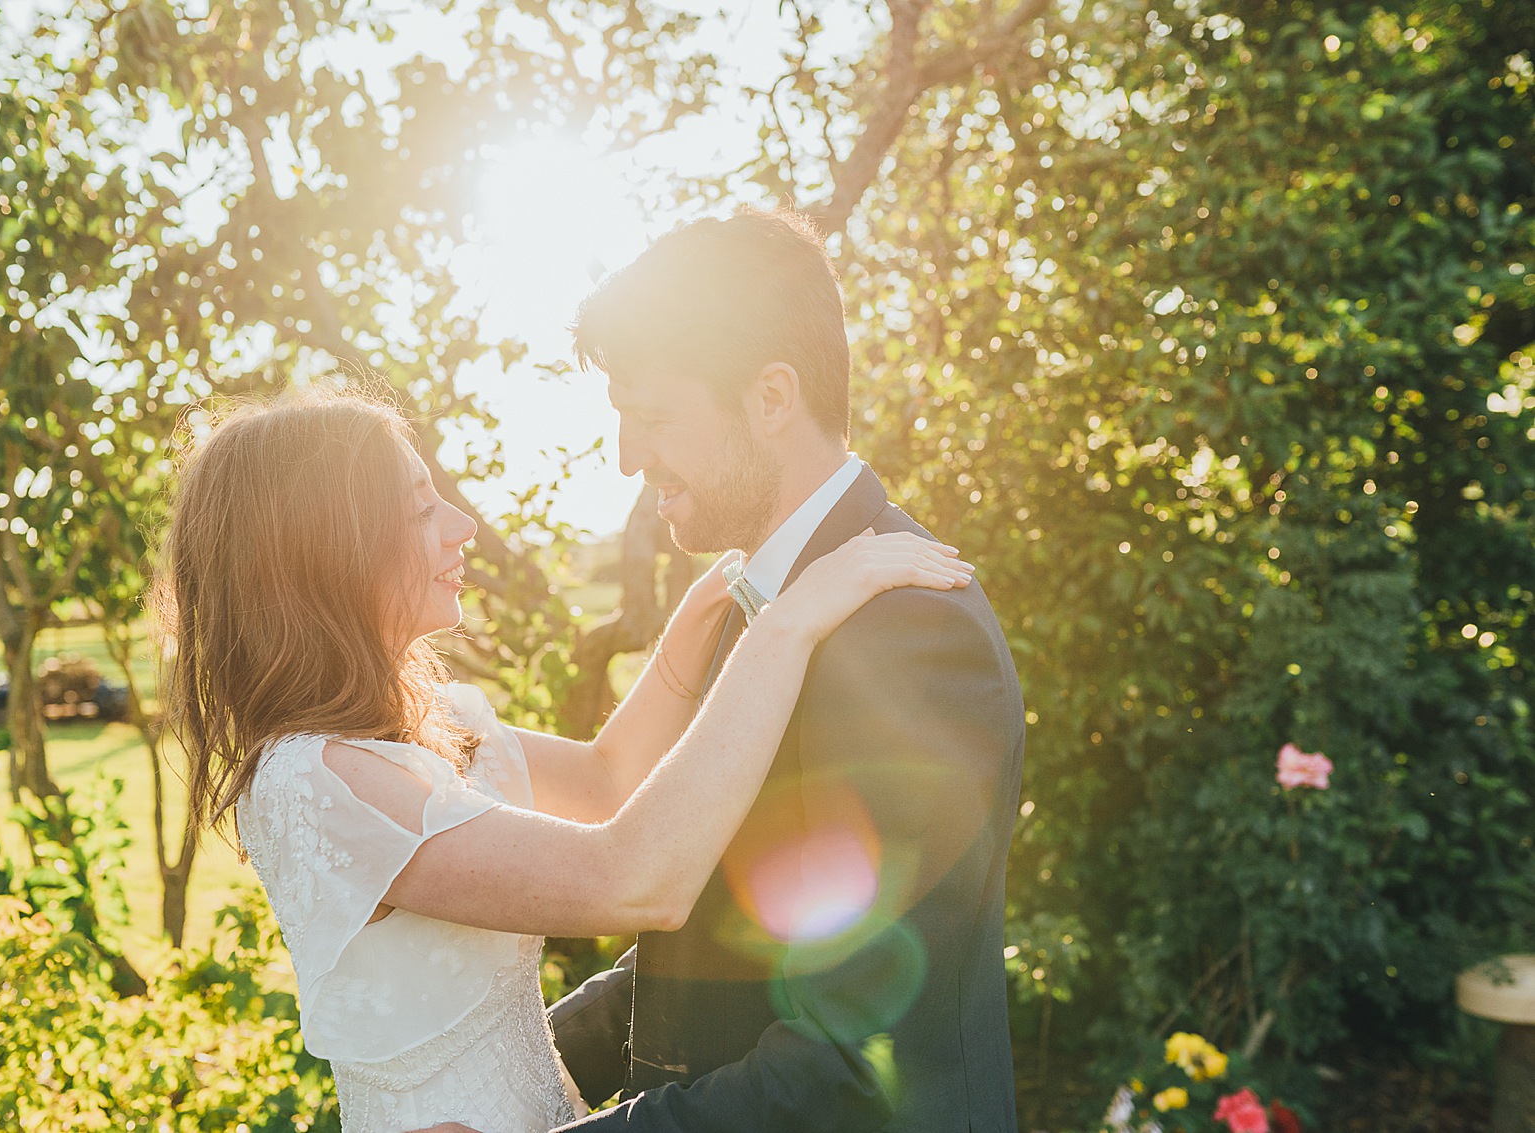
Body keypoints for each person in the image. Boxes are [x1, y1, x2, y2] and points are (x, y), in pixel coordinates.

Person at [151, 385, 975, 1133]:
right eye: (420, 510)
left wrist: (699, 621)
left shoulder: (433, 725)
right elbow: (632, 876)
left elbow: (607, 779)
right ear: (324, 553)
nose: (462, 526)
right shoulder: (312, 782)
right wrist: (789, 623)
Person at [537, 207, 1027, 1133]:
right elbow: (724, 941)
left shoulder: (911, 634)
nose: (626, 455)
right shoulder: (763, 606)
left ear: (771, 398)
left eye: (652, 418)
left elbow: (847, 1063)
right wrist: (494, 1067)